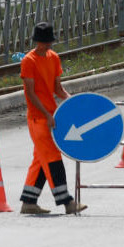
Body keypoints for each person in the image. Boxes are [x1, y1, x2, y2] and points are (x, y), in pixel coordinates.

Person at [19, 22, 87, 215]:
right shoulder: (29, 61)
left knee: (41, 159)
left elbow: (58, 88)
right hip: (37, 118)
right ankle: (67, 202)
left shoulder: (54, 58)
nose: (47, 45)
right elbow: (30, 93)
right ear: (37, 41)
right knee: (52, 158)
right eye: (44, 42)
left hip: (52, 116)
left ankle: (29, 202)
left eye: (49, 42)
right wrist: (46, 114)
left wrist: (71, 101)